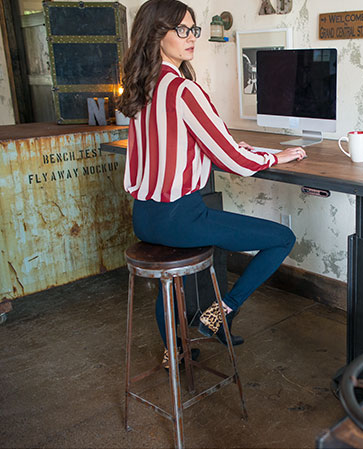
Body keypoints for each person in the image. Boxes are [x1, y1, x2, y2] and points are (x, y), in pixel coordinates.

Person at [118, 0, 306, 366]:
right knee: (282, 239)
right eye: (182, 31)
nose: (192, 38)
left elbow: (187, 142)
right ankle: (221, 311)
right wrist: (275, 156)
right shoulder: (184, 90)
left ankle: (174, 353)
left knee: (168, 282)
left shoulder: (140, 89)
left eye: (194, 30)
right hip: (181, 218)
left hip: (144, 218)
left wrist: (234, 146)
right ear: (158, 35)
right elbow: (232, 160)